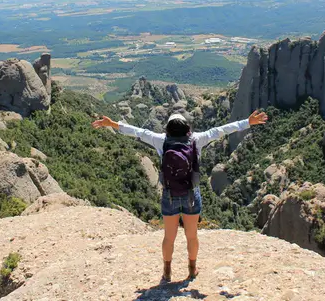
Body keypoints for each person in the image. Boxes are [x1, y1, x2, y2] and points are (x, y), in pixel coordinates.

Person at [92, 109, 268, 282]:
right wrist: (247, 122)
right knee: (192, 236)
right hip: (191, 194)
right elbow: (221, 130)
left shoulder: (160, 140)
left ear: (167, 129)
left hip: (169, 194)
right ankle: (192, 269)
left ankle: (167, 270)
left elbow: (136, 132)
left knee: (169, 237)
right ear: (187, 128)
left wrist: (112, 124)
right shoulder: (196, 140)